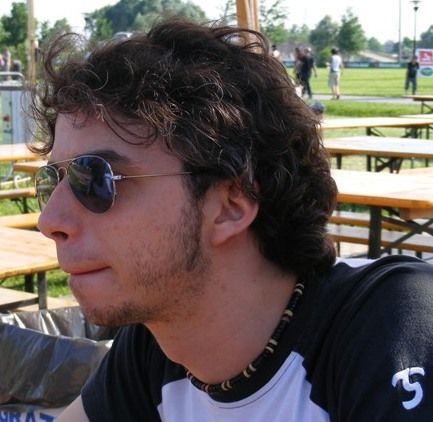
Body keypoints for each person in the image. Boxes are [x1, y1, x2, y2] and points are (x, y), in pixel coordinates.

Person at [30, 18, 433, 421]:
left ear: (231, 206)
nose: (49, 220)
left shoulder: (390, 329)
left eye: (95, 179)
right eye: (53, 180)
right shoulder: (156, 344)